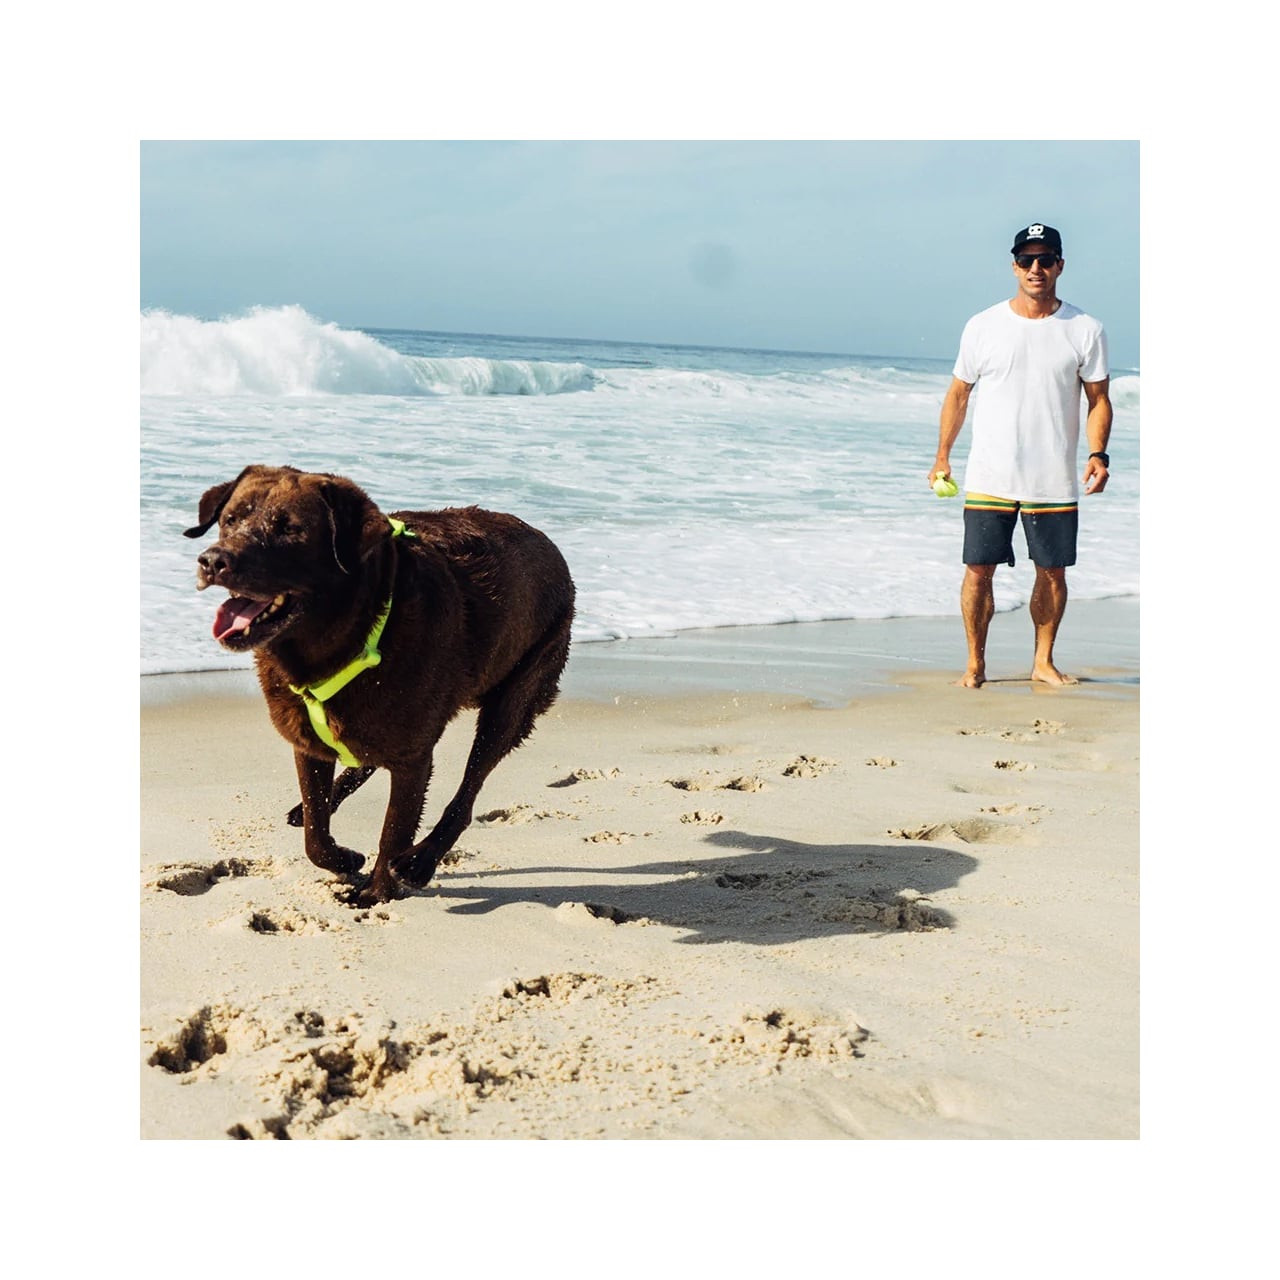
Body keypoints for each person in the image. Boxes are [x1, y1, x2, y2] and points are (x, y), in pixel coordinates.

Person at [931, 222, 1113, 688]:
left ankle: (1043, 662)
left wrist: (1099, 453)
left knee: (1052, 572)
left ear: (1060, 266)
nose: (1037, 268)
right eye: (1027, 259)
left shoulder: (1085, 329)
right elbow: (958, 394)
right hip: (991, 472)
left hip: (1052, 477)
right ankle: (975, 664)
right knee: (977, 571)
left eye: (1046, 259)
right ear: (1014, 266)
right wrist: (942, 455)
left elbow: (1098, 400)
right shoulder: (983, 325)